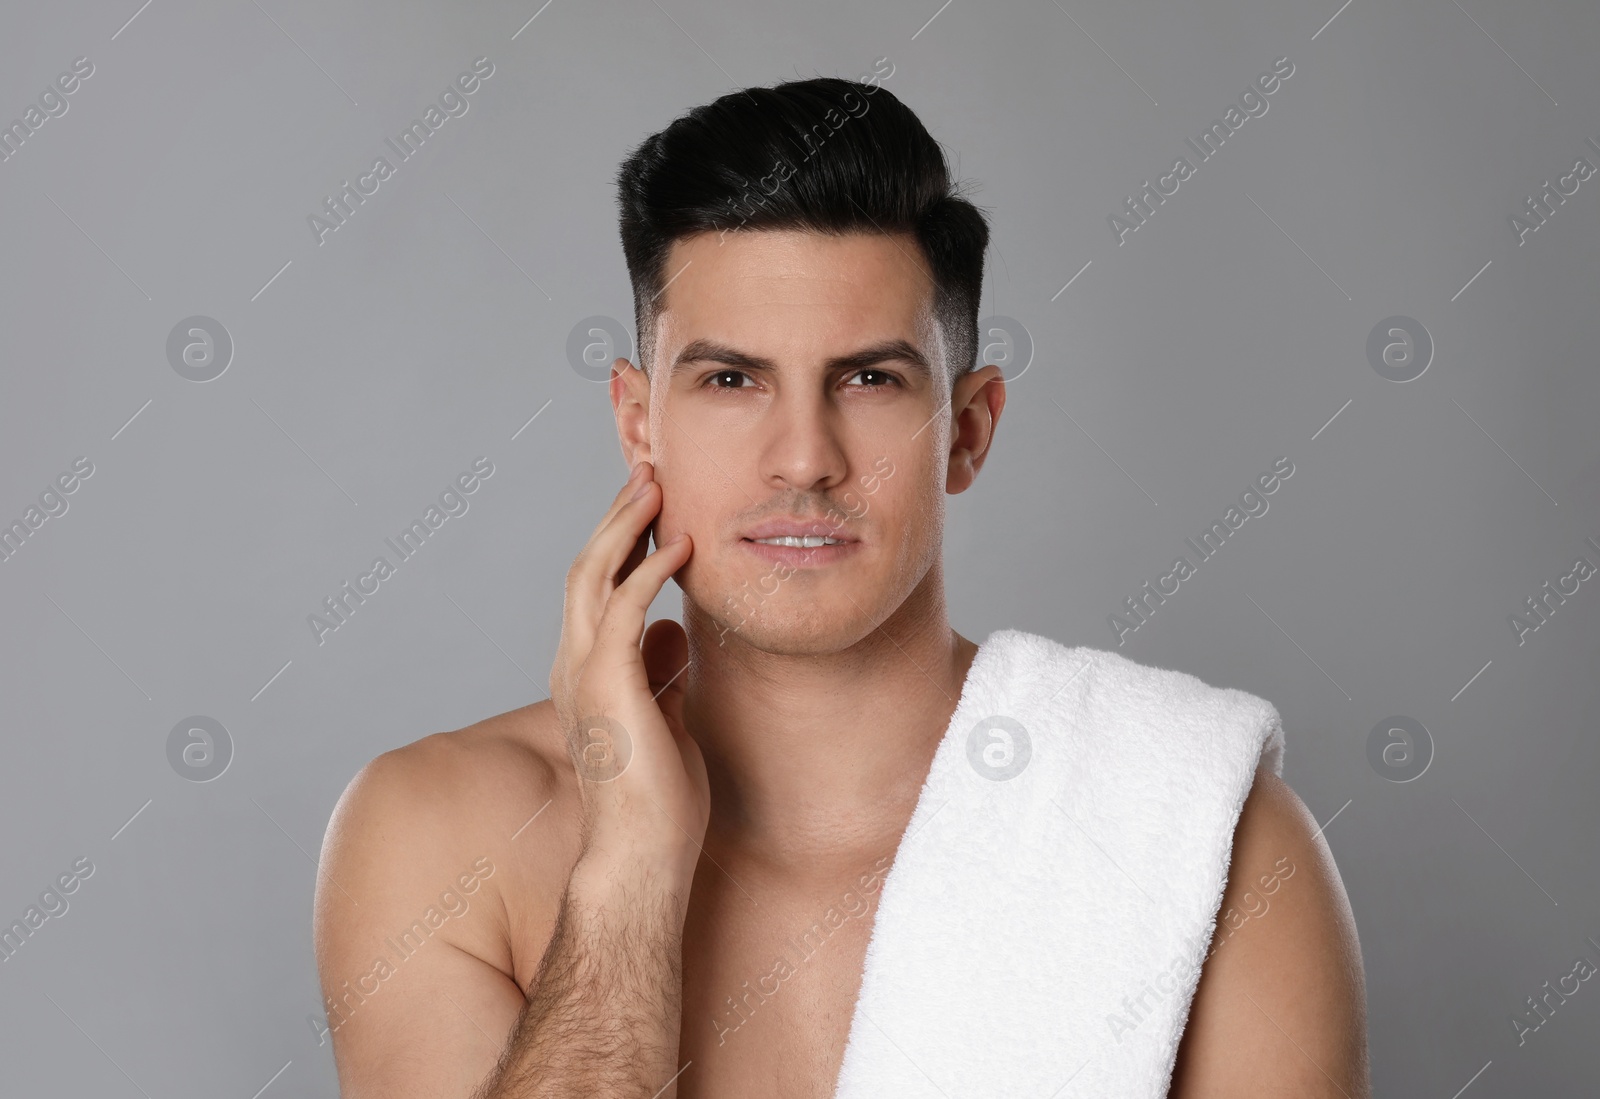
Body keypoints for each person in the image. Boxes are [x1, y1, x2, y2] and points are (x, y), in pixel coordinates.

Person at [313, 76, 1370, 1098]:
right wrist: (629, 869)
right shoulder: (437, 839)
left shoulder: (1198, 839)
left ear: (967, 428)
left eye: (869, 379)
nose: (803, 458)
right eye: (731, 380)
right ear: (640, 423)